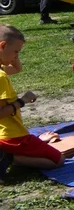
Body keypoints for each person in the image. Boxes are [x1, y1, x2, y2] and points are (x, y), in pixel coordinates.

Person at [0, 25, 64, 177]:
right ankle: (8, 157)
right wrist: (22, 101)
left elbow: (17, 69)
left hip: (4, 135)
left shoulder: (2, 69)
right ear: (2, 46)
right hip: (11, 136)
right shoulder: (1, 77)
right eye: (16, 52)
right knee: (58, 160)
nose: (16, 57)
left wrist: (12, 52)